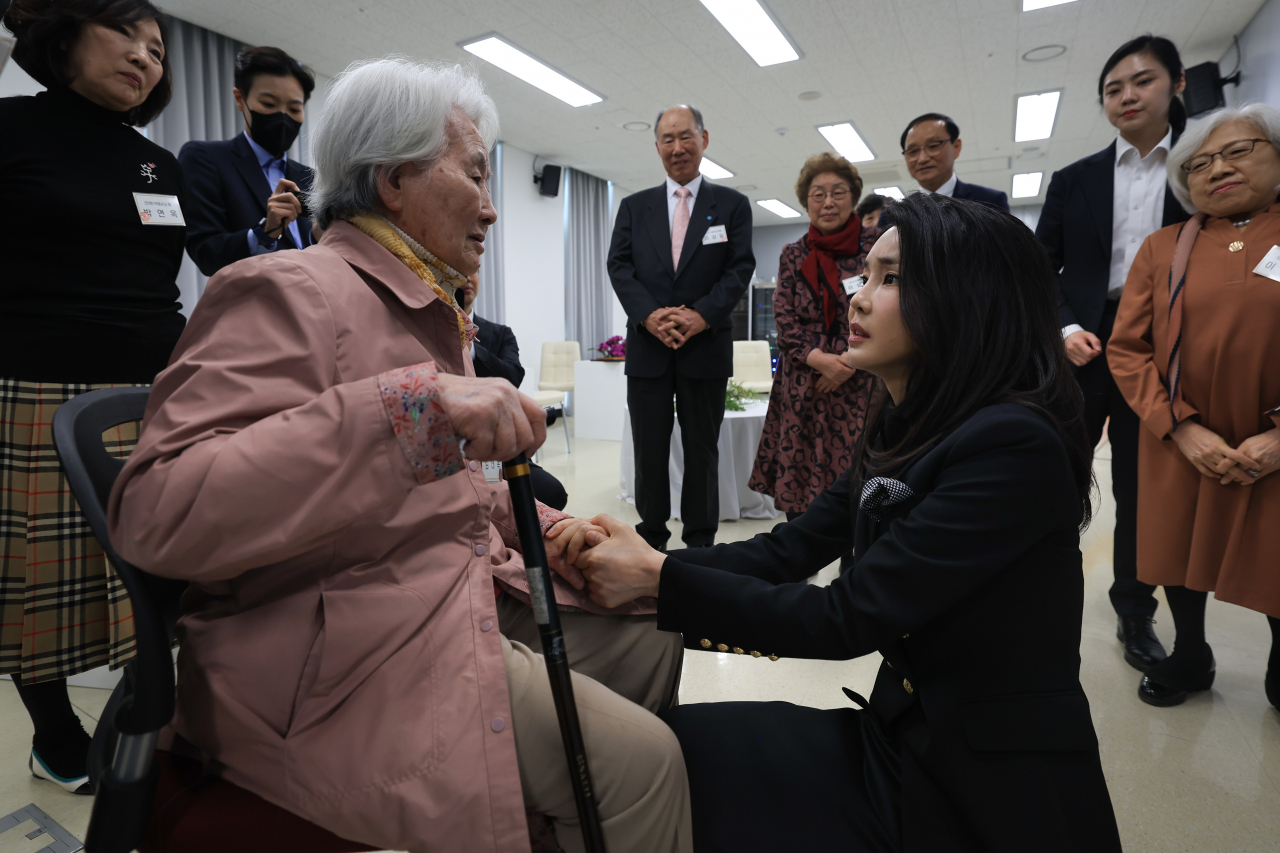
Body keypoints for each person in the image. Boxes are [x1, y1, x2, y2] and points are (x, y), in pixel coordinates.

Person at [107, 58, 691, 853]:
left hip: (432, 594)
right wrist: (413, 411)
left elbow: (428, 493)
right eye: (477, 175)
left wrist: (549, 526)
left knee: (655, 625)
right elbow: (158, 510)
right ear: (391, 181)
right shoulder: (289, 290)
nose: (491, 208)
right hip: (340, 653)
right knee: (645, 765)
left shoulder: (420, 308)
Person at [558, 192, 1120, 852]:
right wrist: (649, 565)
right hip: (900, 734)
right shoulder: (905, 422)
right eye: (866, 275)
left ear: (967, 297)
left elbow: (846, 616)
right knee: (671, 744)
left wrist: (656, 576)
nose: (857, 298)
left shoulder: (1011, 445)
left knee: (682, 765)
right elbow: (787, 548)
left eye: (891, 278)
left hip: (978, 785)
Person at [0, 0, 183, 796]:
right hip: (32, 386)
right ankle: (54, 737)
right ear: (65, 35)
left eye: (158, 49)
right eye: (127, 36)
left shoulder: (159, 165)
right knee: (33, 584)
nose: (146, 58)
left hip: (151, 393)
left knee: (153, 574)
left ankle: (152, 715)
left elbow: (161, 288)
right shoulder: (10, 130)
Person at [1108, 103, 1280, 710]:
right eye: (1201, 163)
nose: (1219, 169)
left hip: (1272, 436)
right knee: (1179, 549)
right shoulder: (1162, 248)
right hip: (1181, 433)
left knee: (1274, 548)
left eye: (1239, 151)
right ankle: (1190, 653)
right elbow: (1127, 349)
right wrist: (1180, 428)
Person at [1035, 35, 1191, 674]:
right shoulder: (1076, 180)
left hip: (1166, 345)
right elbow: (1042, 266)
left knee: (1139, 484)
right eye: (1113, 88)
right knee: (1052, 473)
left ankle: (1134, 609)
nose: (1127, 96)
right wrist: (1064, 325)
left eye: (1142, 82)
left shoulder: (1199, 169)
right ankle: (1037, 591)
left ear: (1177, 85)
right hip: (1085, 342)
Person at [607, 105, 755, 550]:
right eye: (667, 139)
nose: (677, 147)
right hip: (648, 348)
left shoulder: (732, 206)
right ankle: (650, 539)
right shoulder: (635, 207)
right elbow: (619, 266)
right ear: (656, 147)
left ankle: (700, 543)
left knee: (702, 453)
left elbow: (739, 268)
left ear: (704, 139)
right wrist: (649, 316)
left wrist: (701, 315)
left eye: (685, 136)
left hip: (704, 346)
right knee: (649, 452)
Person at [748, 152, 883, 574]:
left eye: (837, 192)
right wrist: (821, 361)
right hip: (803, 385)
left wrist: (845, 363)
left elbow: (882, 310)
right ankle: (797, 575)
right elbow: (784, 321)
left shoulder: (875, 250)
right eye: (817, 194)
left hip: (860, 385)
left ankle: (853, 578)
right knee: (800, 484)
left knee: (858, 485)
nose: (828, 201)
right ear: (806, 202)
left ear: (853, 198)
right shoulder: (792, 254)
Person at [179, 45, 318, 277]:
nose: (283, 118)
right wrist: (264, 233)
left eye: (294, 108)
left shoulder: (309, 177)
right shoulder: (206, 159)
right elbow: (206, 252)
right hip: (253, 306)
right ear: (240, 99)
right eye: (269, 105)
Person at [460, 272, 569, 511]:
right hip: (448, 446)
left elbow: (513, 377)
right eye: (459, 270)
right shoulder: (425, 330)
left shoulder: (500, 333)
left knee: (552, 494)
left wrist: (471, 347)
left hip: (496, 445)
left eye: (474, 271)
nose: (467, 278)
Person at [900, 113, 1009, 211]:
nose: (922, 158)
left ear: (956, 147)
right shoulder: (894, 214)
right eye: (913, 151)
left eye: (933, 146)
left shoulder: (991, 201)